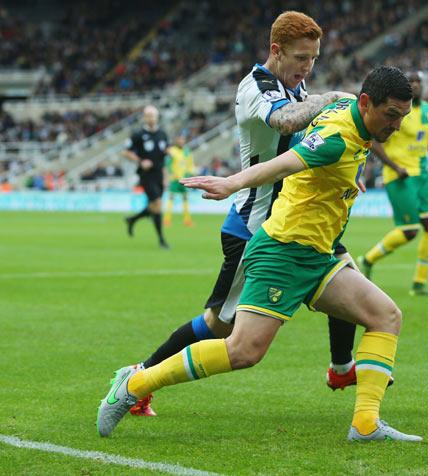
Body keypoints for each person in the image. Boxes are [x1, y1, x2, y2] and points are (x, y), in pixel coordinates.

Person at [97, 66, 421, 442]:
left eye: (403, 116)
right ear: (367, 103)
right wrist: (231, 182)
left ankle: (365, 425)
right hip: (282, 251)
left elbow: (332, 121)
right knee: (243, 350)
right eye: (391, 115)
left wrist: (349, 176)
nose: (396, 126)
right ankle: (134, 383)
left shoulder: (350, 108)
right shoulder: (336, 138)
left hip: (317, 254)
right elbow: (283, 163)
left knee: (386, 316)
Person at [124, 11, 361, 418]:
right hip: (255, 227)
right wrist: (330, 98)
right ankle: (138, 379)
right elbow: (286, 118)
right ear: (276, 50)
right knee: (220, 325)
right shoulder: (255, 88)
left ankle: (341, 369)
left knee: (352, 282)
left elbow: (308, 134)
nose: (308, 67)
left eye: (314, 59)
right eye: (302, 58)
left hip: (298, 219)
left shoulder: (294, 81)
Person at [357, 72, 428, 296]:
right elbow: (375, 141)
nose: (416, 86)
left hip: (422, 175)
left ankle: (419, 284)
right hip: (400, 175)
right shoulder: (395, 110)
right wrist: (394, 167)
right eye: (412, 82)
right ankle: (367, 260)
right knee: (409, 231)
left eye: (419, 82)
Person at [122, 105, 170, 249]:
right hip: (146, 175)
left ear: (157, 117)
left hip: (159, 174)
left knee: (154, 207)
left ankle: (132, 219)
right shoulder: (138, 134)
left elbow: (164, 157)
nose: (150, 118)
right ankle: (162, 240)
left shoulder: (163, 134)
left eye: (153, 115)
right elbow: (125, 152)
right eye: (148, 115)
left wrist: (166, 175)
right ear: (144, 117)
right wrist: (140, 161)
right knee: (157, 204)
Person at [163, 133, 195, 227]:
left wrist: (191, 173)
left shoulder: (187, 151)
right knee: (171, 198)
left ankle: (187, 220)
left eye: (183, 139)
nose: (181, 141)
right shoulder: (172, 151)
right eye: (179, 139)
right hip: (175, 179)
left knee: (185, 198)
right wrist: (173, 174)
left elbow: (189, 164)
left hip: (185, 179)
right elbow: (168, 164)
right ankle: (167, 220)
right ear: (176, 141)